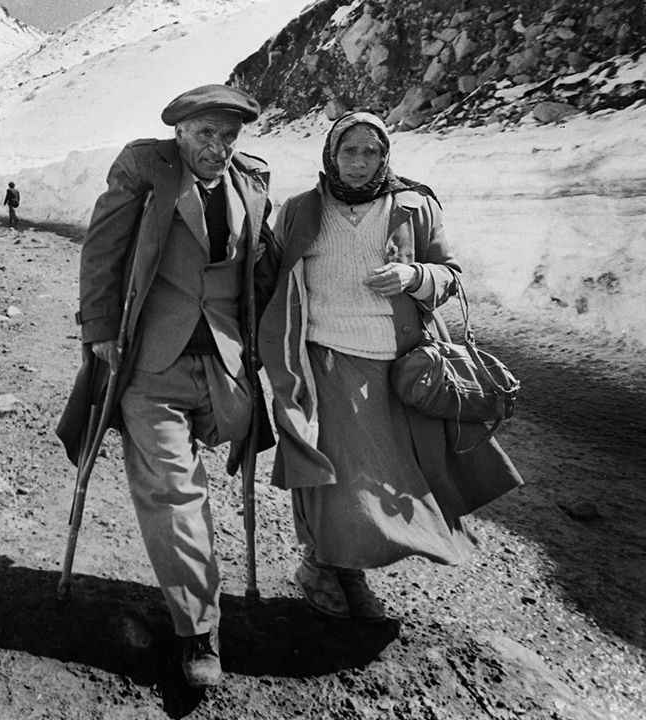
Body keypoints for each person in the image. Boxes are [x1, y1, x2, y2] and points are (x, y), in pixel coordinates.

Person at [259, 111, 523, 622]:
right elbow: (268, 279)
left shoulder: (414, 205)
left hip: (400, 367)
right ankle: (325, 567)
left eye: (370, 152)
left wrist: (413, 275)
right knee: (340, 479)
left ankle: (340, 568)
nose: (359, 162)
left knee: (391, 484)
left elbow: (449, 276)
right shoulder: (299, 211)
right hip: (325, 360)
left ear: (385, 157)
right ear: (331, 154)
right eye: (349, 151)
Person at [56, 84, 277, 688]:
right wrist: (101, 330)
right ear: (179, 133)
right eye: (206, 134)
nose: (218, 148)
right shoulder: (146, 168)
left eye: (228, 136)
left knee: (252, 444)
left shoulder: (252, 182)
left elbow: (261, 270)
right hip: (152, 365)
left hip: (226, 366)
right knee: (175, 492)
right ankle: (198, 630)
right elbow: (102, 251)